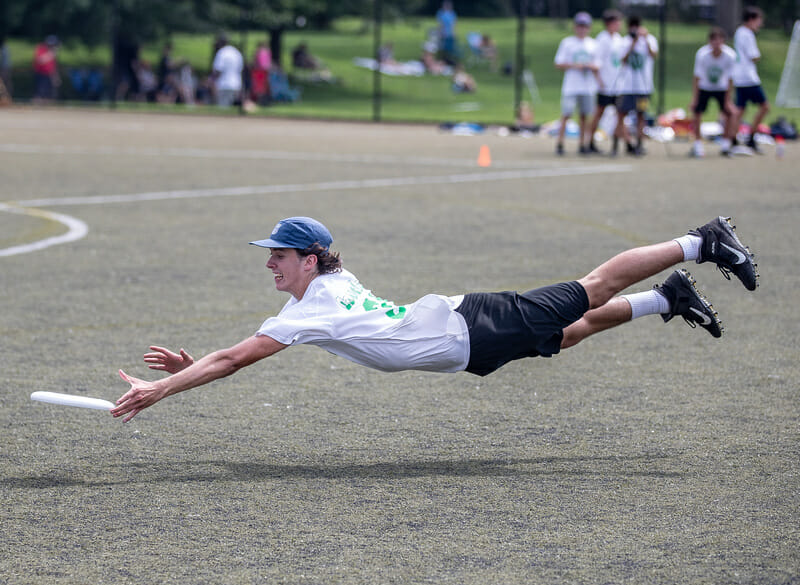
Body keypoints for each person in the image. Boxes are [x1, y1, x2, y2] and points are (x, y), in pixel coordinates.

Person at [112, 215, 758, 423]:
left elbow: (234, 360)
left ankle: (702, 241)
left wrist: (161, 390)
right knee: (565, 332)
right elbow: (231, 356)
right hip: (467, 344)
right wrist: (192, 366)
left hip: (471, 325)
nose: (269, 266)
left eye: (278, 257)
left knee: (588, 290)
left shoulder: (316, 305)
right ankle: (667, 297)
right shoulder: (321, 289)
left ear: (309, 259)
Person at [554, 12, 600, 156]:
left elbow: (598, 64)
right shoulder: (567, 43)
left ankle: (582, 144)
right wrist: (575, 65)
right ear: (575, 27)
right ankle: (560, 143)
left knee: (584, 116)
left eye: (585, 26)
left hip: (587, 86)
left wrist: (590, 66)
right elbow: (558, 63)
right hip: (571, 85)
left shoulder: (593, 44)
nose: (582, 29)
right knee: (566, 114)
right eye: (580, 26)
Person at [689, 27, 737, 158]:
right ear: (709, 42)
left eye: (719, 40)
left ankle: (726, 145)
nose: (716, 43)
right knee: (697, 112)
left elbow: (730, 79)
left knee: (730, 113)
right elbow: (697, 77)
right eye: (713, 40)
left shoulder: (730, 55)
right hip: (705, 87)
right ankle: (698, 145)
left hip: (722, 88)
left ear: (723, 41)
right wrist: (695, 98)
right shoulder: (702, 54)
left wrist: (728, 100)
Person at [731, 6, 770, 154]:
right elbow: (754, 56)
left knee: (740, 110)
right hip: (748, 77)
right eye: (759, 20)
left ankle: (734, 140)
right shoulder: (747, 34)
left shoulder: (739, 32)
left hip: (739, 77)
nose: (760, 24)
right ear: (752, 19)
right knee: (764, 106)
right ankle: (750, 138)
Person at [617, 15, 659, 155]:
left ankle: (640, 143)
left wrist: (645, 39)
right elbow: (622, 59)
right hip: (628, 87)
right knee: (622, 114)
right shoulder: (625, 41)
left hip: (644, 87)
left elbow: (654, 55)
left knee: (642, 115)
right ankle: (627, 142)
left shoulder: (650, 39)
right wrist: (633, 43)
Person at [589, 9, 625, 155]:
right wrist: (600, 81)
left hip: (618, 86)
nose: (619, 24)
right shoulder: (602, 39)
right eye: (616, 22)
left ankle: (616, 145)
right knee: (599, 113)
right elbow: (596, 63)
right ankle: (590, 142)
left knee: (620, 115)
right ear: (609, 23)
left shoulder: (619, 39)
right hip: (605, 85)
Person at [211, 34, 243, 107]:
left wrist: (212, 82)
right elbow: (240, 69)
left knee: (223, 109)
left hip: (224, 85)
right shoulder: (236, 52)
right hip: (236, 84)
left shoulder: (221, 52)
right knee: (232, 111)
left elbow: (218, 70)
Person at [32, 35, 60, 104]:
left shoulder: (52, 52)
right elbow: (40, 60)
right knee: (40, 94)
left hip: (49, 75)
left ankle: (46, 110)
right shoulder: (41, 48)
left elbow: (53, 66)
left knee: (49, 94)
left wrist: (56, 77)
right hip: (41, 74)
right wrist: (51, 54)